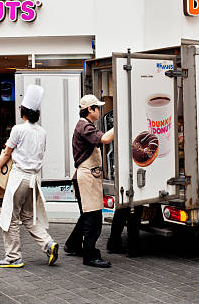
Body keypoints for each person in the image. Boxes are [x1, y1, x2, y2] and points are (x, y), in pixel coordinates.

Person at [0, 85, 59, 268]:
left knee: (11, 218)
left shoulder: (18, 130)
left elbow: (7, 153)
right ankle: (48, 244)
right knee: (28, 216)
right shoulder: (42, 132)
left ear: (24, 111)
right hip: (33, 180)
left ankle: (13, 257)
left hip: (19, 178)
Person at [64, 94, 114, 268]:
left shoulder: (85, 125)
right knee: (93, 219)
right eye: (97, 107)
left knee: (87, 216)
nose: (100, 110)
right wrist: (122, 121)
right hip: (86, 178)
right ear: (90, 110)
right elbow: (105, 139)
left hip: (84, 177)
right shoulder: (85, 127)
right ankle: (90, 255)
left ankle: (72, 245)